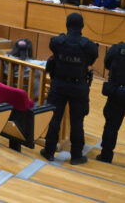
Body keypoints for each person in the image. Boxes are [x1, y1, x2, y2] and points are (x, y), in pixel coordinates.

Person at [41, 13, 98, 165]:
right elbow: (92, 58)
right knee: (77, 121)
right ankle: (76, 156)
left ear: (67, 25)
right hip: (79, 86)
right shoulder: (88, 46)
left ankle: (49, 151)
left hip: (59, 84)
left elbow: (53, 45)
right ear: (82, 26)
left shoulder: (58, 42)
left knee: (54, 118)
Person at [97, 42, 125, 163]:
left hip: (117, 92)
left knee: (111, 126)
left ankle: (106, 156)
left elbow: (107, 63)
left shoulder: (117, 49)